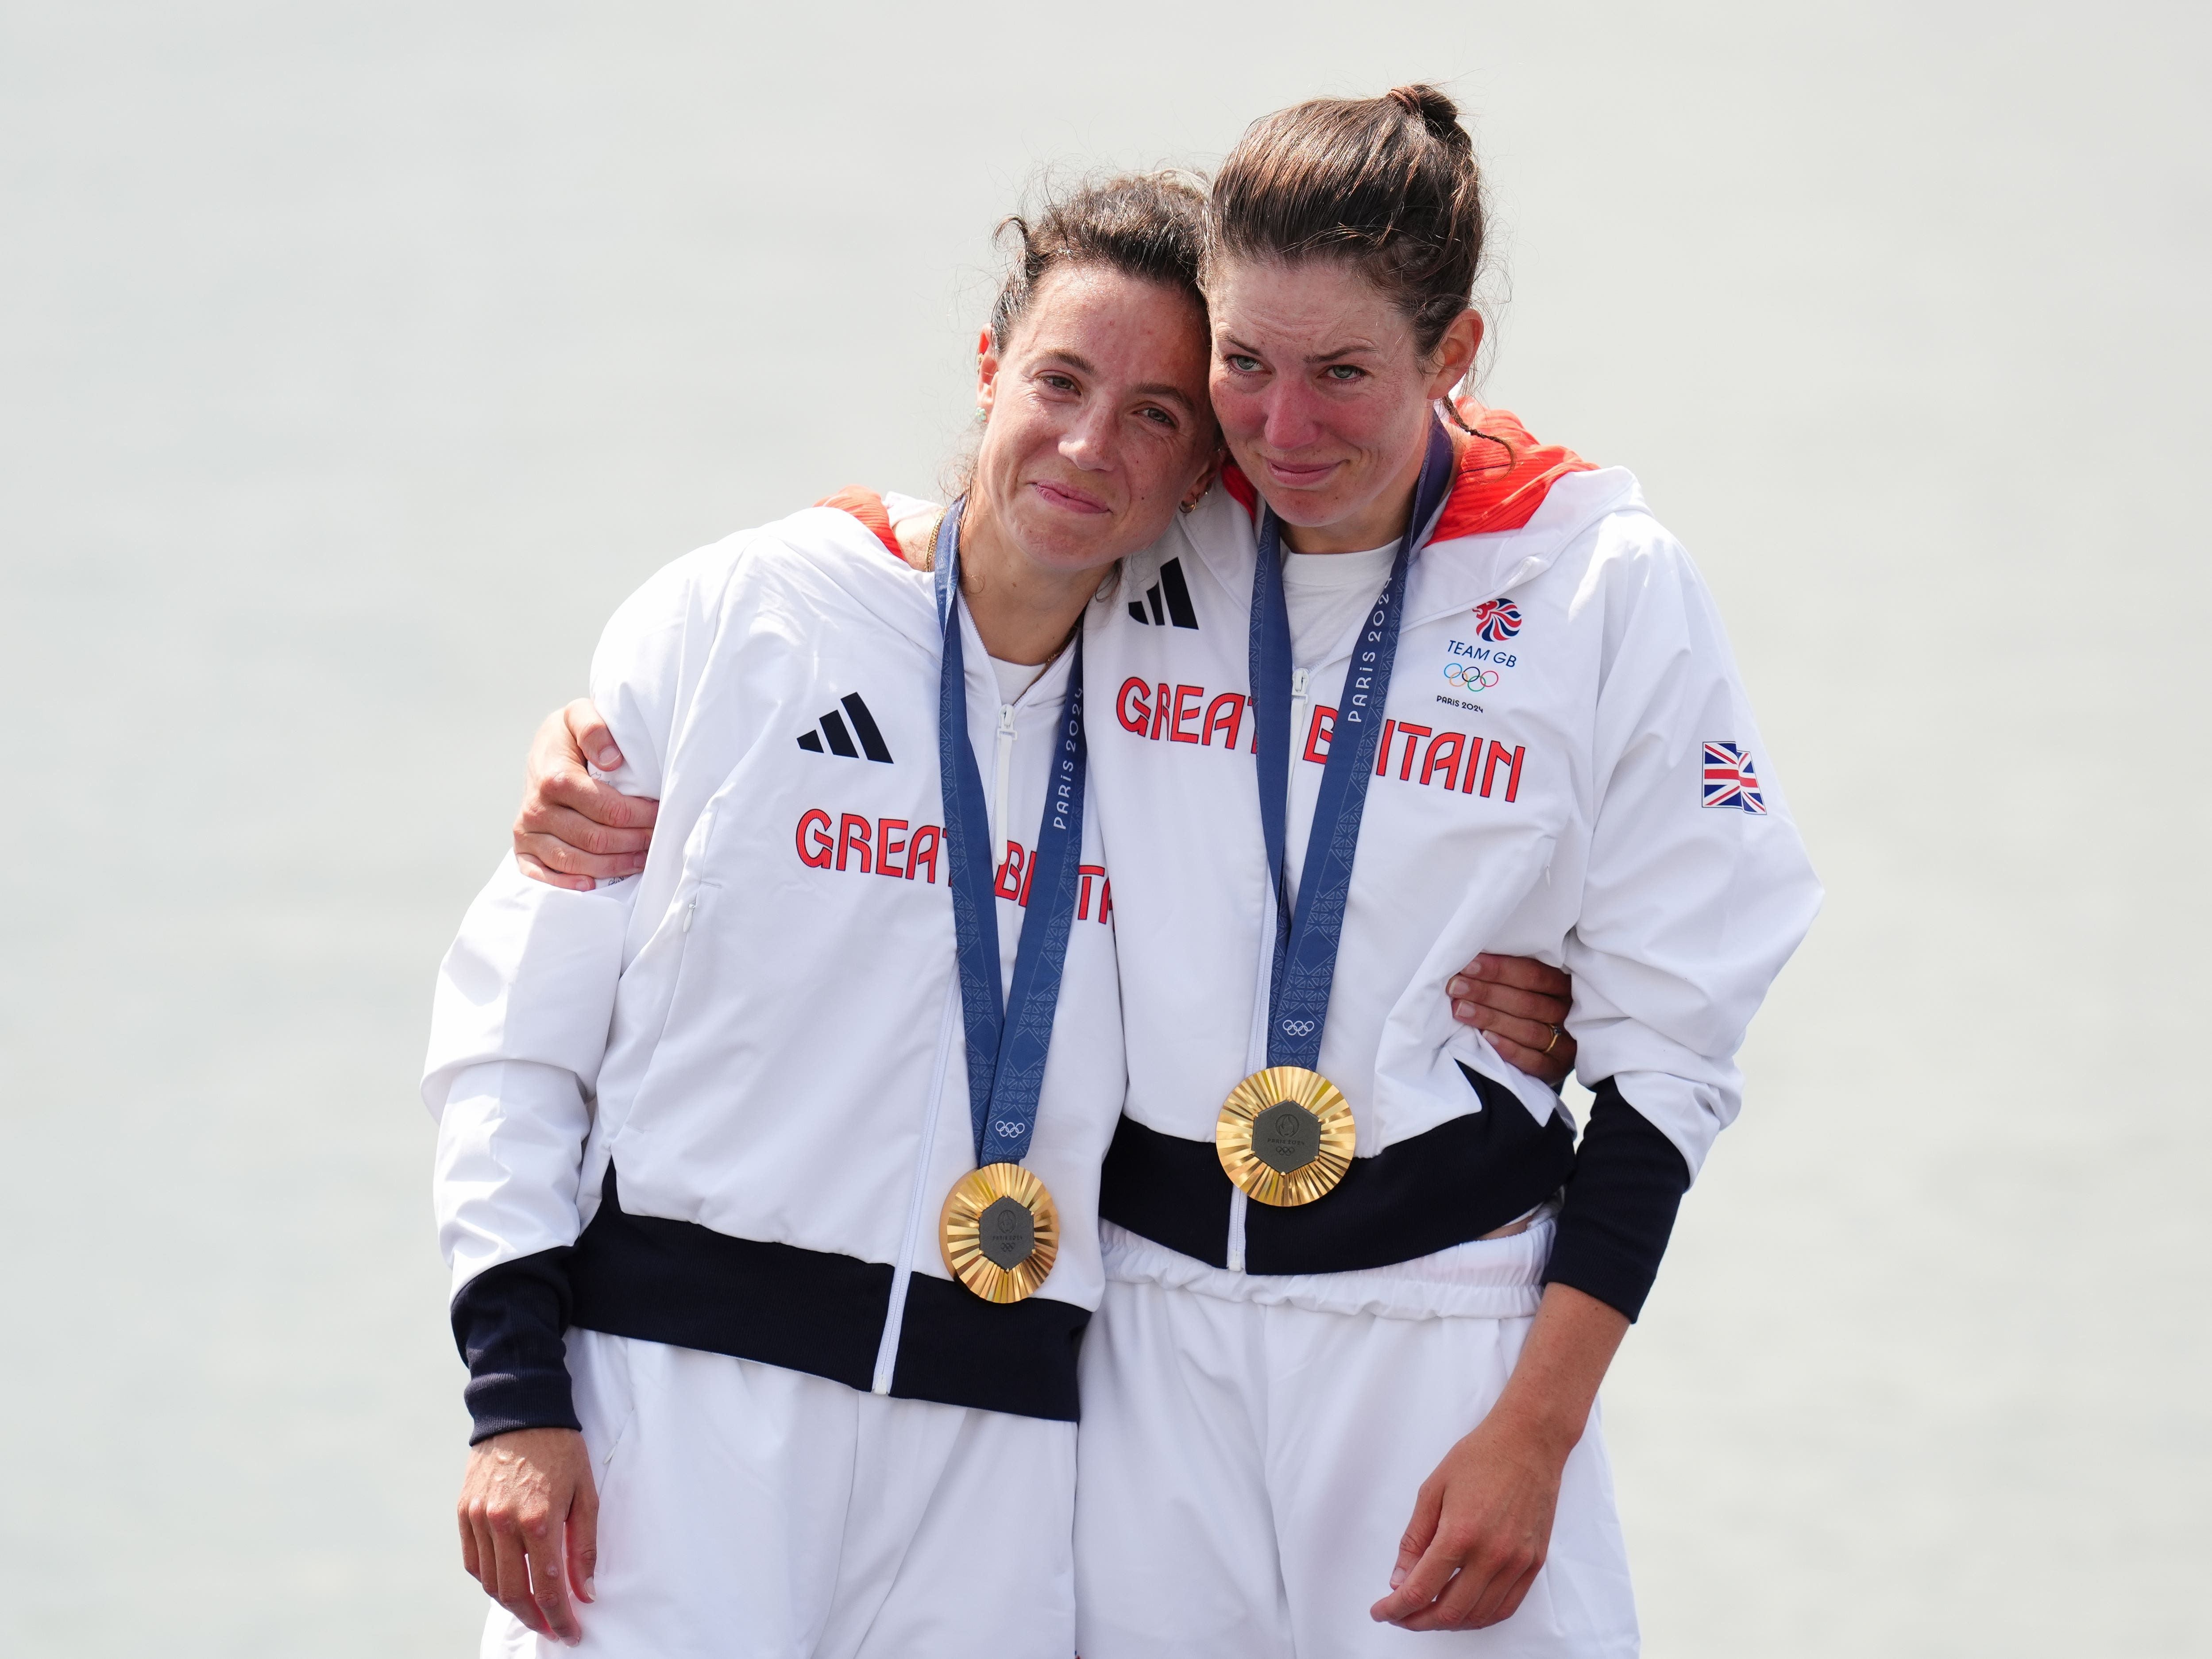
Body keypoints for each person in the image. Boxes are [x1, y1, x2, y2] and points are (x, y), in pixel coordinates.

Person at [507, 85, 1818, 1656]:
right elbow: (972, 551)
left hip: (1437, 1334)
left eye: (1345, 373)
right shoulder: (1171, 520)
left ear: (1455, 356)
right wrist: (616, 730)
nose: (1284, 429)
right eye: (1244, 369)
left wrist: (1534, 1427)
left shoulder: (1597, 584)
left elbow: (1673, 1059)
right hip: (1135, 1348)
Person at [424, 173, 1220, 1655]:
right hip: (679, 1422)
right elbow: (515, 1025)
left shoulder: (1194, 716)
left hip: (990, 1468)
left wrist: (1527, 993)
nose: (1090, 442)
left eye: (1160, 413)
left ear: (1204, 470)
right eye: (1060, 379)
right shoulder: (745, 612)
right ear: (991, 372)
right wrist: (517, 1397)